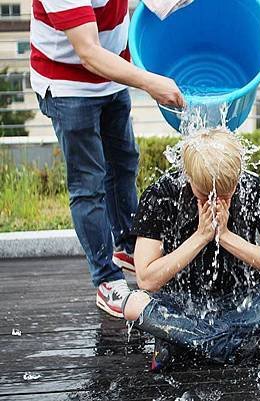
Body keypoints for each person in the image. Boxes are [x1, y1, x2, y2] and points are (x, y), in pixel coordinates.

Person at [31, 0, 185, 318]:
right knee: (89, 183)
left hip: (112, 75)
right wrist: (151, 82)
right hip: (68, 85)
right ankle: (106, 279)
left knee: (124, 163)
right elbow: (88, 52)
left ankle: (129, 247)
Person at [123, 129, 260, 371]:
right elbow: (147, 279)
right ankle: (235, 340)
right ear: (188, 177)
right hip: (185, 304)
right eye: (204, 195)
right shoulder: (161, 195)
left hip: (244, 302)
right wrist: (201, 237)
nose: (215, 202)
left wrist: (225, 236)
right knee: (133, 303)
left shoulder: (257, 189)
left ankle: (193, 341)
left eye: (226, 194)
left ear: (237, 177)